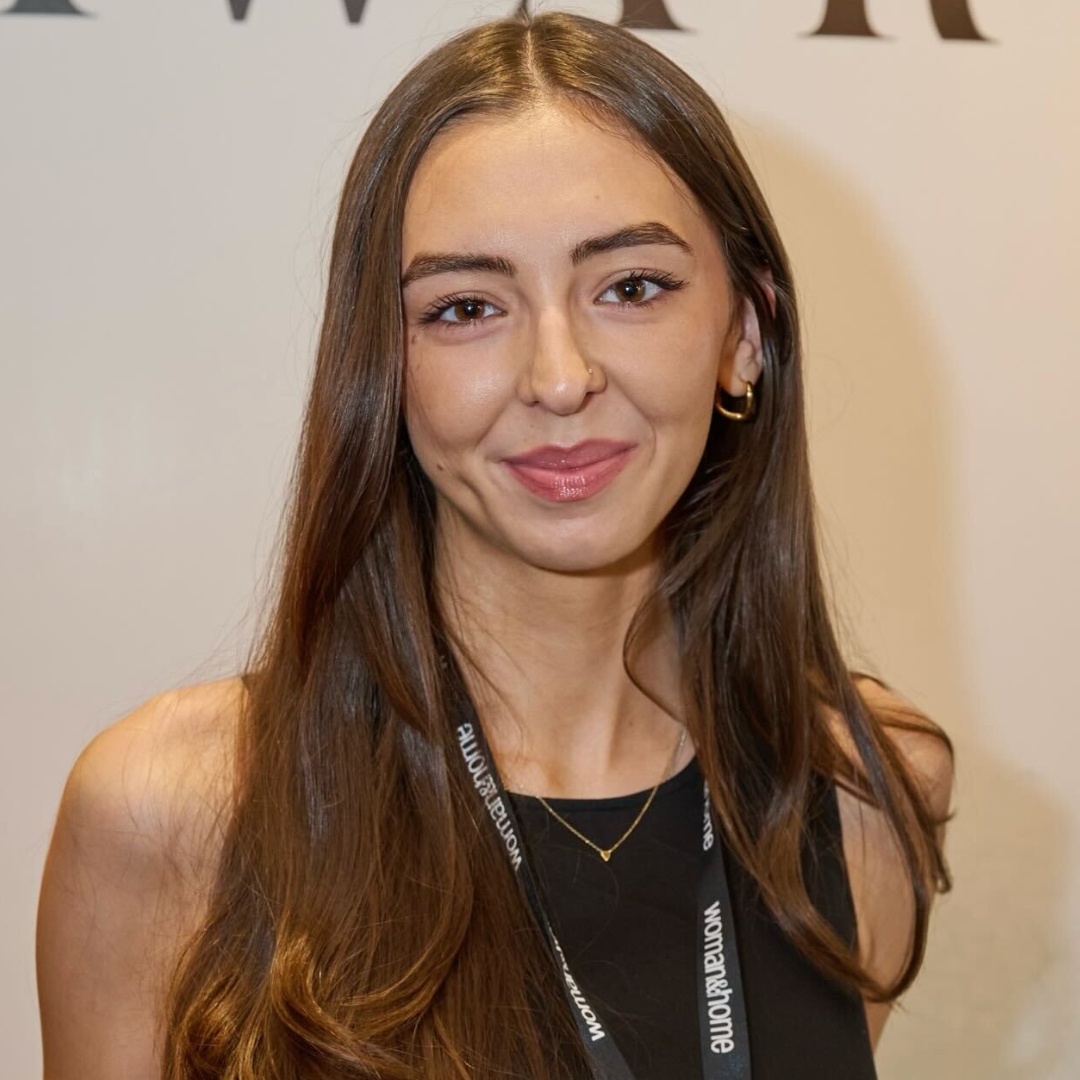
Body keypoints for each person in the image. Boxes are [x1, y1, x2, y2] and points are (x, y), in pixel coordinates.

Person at [36, 9, 955, 1080]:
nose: (558, 377)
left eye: (633, 287)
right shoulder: (175, 810)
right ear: (383, 362)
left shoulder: (861, 790)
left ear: (744, 333)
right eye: (467, 307)